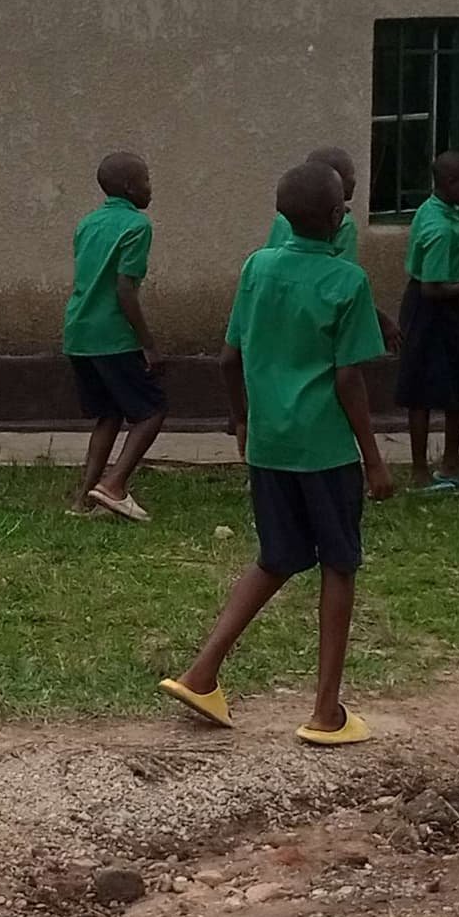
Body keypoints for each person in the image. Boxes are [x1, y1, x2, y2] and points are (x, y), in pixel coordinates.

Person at [161, 160, 395, 743]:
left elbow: (227, 357)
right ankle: (326, 712)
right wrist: (374, 458)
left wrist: (241, 421)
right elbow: (349, 379)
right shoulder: (348, 282)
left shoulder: (257, 268)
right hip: (327, 449)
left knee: (277, 555)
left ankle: (201, 673)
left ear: (280, 214)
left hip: (270, 443)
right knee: (339, 564)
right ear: (340, 216)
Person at [64, 150, 165, 523]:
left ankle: (84, 498)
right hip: (112, 336)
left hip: (78, 330)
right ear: (128, 187)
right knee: (153, 410)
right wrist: (149, 345)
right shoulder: (137, 226)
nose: (150, 188)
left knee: (108, 413)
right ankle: (114, 484)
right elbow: (125, 289)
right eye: (145, 180)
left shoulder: (87, 223)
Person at [398, 148, 459, 490]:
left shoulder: (437, 210)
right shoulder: (439, 227)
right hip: (431, 308)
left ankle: (451, 461)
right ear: (448, 183)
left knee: (457, 384)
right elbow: (432, 288)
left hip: (442, 308)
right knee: (422, 388)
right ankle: (419, 470)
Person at [265, 144, 362, 256]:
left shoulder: (283, 218)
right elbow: (345, 269)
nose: (354, 180)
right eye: (350, 174)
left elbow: (272, 253)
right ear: (335, 181)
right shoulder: (344, 223)